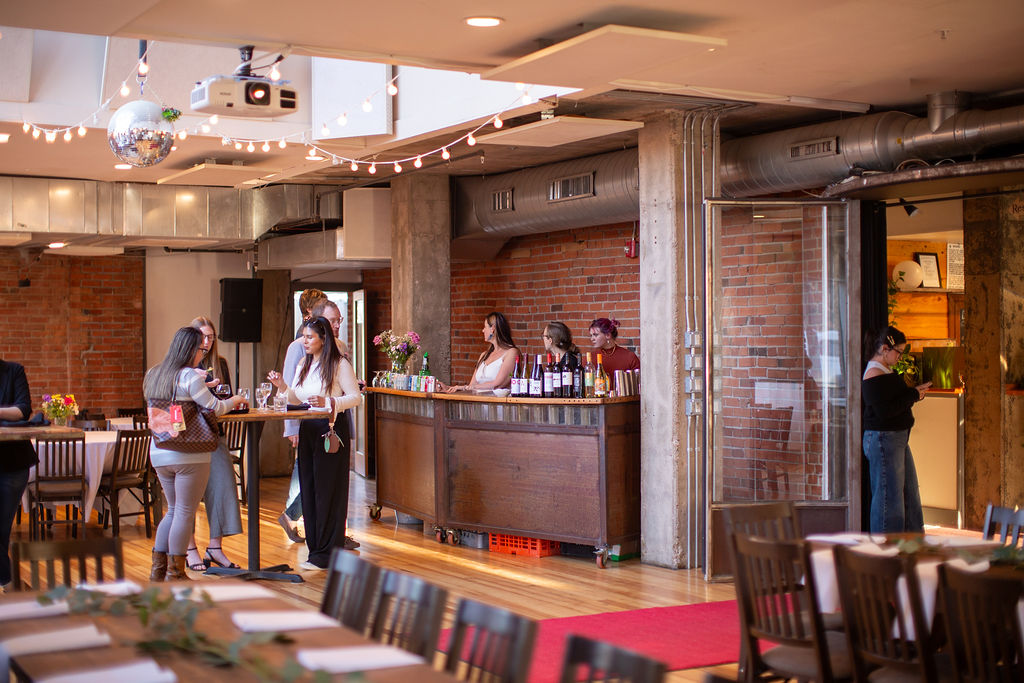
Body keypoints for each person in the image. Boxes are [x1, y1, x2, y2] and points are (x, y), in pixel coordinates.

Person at [145, 327, 246, 581]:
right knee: (184, 512)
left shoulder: (154, 373)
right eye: (201, 349)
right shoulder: (189, 376)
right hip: (188, 454)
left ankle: (158, 571)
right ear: (191, 349)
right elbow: (215, 407)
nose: (203, 353)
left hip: (159, 450)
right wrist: (236, 400)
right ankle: (176, 572)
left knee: (173, 510)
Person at [267, 316, 361, 570]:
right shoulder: (304, 364)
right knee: (309, 488)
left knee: (327, 490)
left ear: (323, 338)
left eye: (310, 337)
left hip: (330, 428)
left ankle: (328, 553)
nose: (305, 341)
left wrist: (329, 402)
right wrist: (281, 386)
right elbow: (296, 397)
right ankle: (316, 550)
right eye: (304, 336)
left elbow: (355, 398)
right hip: (308, 427)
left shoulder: (339, 364)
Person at [184, 316, 242, 571]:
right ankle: (189, 549)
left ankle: (215, 547)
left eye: (211, 337)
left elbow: (224, 398)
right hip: (188, 438)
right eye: (202, 337)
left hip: (214, 433)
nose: (207, 342)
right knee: (187, 495)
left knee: (224, 485)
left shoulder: (220, 364)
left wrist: (231, 402)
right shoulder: (182, 366)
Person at [862, 326, 930, 533]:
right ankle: (887, 545)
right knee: (889, 499)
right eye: (898, 352)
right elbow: (885, 411)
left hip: (895, 439)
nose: (900, 357)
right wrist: (913, 395)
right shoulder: (874, 373)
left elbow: (893, 402)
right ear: (885, 349)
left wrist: (913, 394)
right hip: (885, 439)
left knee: (908, 493)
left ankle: (910, 541)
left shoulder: (884, 371)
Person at [277, 289, 326, 544]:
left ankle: (296, 517)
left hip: (320, 417)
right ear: (309, 311)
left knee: (308, 471)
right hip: (305, 419)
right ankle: (293, 516)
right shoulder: (300, 344)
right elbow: (289, 388)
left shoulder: (326, 341)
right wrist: (291, 427)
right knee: (305, 471)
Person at [0, 359, 36, 592]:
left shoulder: (13, 371)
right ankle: (10, 584)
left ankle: (10, 587)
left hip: (12, 462)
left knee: (2, 530)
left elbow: (23, 409)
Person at [442, 312, 520, 392]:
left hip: (498, 400)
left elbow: (498, 384)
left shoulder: (511, 352)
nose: (483, 330)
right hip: (478, 399)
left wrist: (465, 387)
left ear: (492, 329)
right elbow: (472, 386)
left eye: (485, 327)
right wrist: (447, 388)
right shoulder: (484, 355)